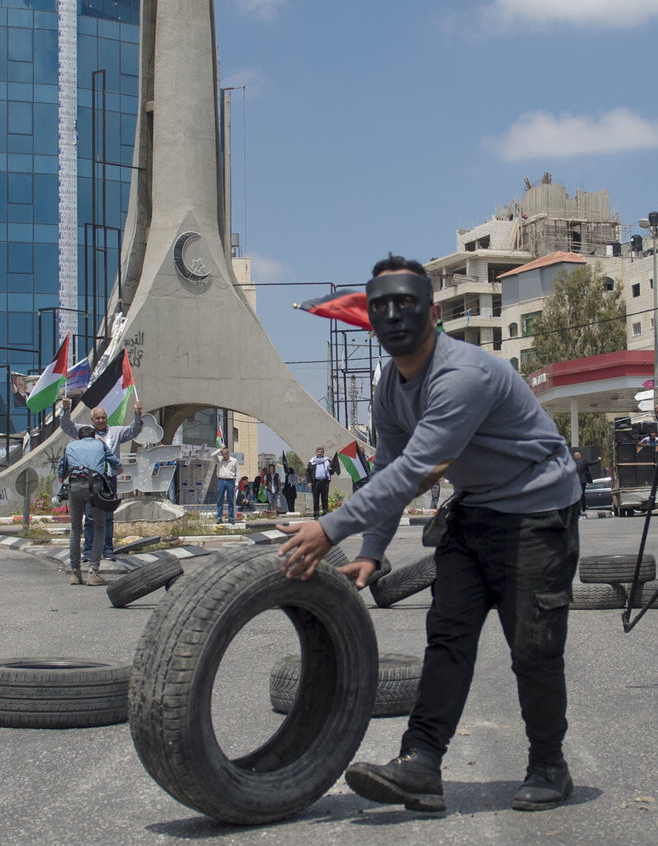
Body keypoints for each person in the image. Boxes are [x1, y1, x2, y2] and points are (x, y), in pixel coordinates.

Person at [280, 255, 584, 814]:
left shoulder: (463, 374)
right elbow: (389, 468)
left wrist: (329, 527)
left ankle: (550, 766)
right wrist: (371, 552)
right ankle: (420, 763)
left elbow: (415, 472)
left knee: (534, 650)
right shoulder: (391, 388)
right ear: (369, 317)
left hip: (538, 510)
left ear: (433, 311)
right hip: (477, 510)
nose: (393, 316)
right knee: (447, 639)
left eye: (406, 304)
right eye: (380, 308)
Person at [57, 395, 148, 581]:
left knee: (106, 518)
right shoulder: (86, 434)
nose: (100, 421)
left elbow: (134, 431)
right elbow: (66, 426)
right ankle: (89, 554)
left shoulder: (114, 433)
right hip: (94, 483)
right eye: (97, 418)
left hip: (106, 481)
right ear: (91, 421)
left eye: (103, 417)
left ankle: (107, 550)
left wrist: (138, 415)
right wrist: (65, 410)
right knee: (91, 520)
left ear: (107, 418)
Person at [214, 444, 242, 524]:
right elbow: (212, 455)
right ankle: (219, 518)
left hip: (230, 481)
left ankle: (231, 518)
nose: (224, 456)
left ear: (228, 454)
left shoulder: (234, 461)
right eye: (223, 454)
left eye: (225, 454)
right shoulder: (219, 460)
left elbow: (237, 472)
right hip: (221, 480)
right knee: (220, 500)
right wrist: (220, 449)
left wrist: (236, 483)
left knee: (230, 500)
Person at [306, 446, 334, 517]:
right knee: (316, 498)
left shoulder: (327, 461)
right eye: (318, 452)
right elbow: (308, 472)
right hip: (315, 482)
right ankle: (316, 514)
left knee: (324, 498)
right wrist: (309, 482)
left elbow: (332, 472)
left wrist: (330, 468)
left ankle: (325, 513)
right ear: (316, 452)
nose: (320, 453)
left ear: (323, 453)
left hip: (324, 482)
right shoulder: (312, 461)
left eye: (321, 452)